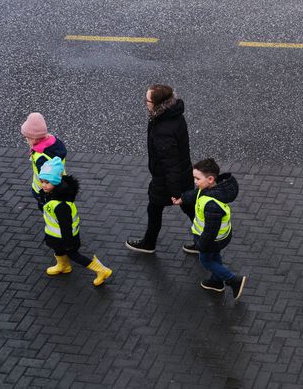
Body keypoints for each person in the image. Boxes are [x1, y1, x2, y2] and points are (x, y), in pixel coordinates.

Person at [126, 84, 195, 254]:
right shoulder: (173, 114)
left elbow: (170, 163)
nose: (145, 102)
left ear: (157, 103)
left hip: (166, 179)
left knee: (154, 208)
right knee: (189, 207)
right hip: (183, 173)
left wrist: (175, 192)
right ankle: (204, 239)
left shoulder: (163, 129)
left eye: (147, 100)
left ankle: (149, 243)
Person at [173, 158, 246, 298]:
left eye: (197, 178)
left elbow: (210, 231)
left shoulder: (211, 205)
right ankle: (216, 282)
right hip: (220, 238)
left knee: (206, 260)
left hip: (212, 239)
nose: (195, 181)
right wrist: (182, 198)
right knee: (215, 256)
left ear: (210, 179)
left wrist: (201, 245)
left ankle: (233, 280)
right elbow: (196, 194)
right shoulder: (207, 189)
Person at [38, 157, 112, 286]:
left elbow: (65, 226)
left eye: (47, 182)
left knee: (74, 255)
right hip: (56, 237)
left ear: (55, 183)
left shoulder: (61, 206)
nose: (43, 185)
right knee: (58, 250)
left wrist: (68, 243)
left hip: (66, 238)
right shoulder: (54, 194)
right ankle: (63, 266)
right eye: (42, 181)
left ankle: (101, 270)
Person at [20, 112, 67, 211]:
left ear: (33, 138)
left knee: (49, 214)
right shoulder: (54, 143)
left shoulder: (40, 156)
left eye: (26, 138)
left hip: (45, 191)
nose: (26, 140)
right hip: (60, 184)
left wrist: (44, 194)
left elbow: (47, 179)